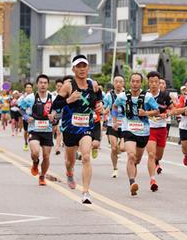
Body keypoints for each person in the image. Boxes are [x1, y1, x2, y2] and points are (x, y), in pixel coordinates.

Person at [52, 55, 103, 204]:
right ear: (73, 69)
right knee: (70, 161)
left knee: (86, 157)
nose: (81, 69)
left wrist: (100, 105)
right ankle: (69, 173)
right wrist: (69, 99)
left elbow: (98, 99)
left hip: (86, 127)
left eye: (84, 66)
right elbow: (56, 105)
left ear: (88, 68)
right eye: (78, 67)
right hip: (70, 129)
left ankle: (86, 192)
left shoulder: (93, 85)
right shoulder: (68, 86)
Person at [113, 72, 160, 196]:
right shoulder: (122, 96)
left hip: (143, 131)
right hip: (128, 128)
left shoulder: (148, 97)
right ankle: (132, 182)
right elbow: (114, 106)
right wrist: (115, 121)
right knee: (131, 155)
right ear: (129, 82)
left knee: (137, 160)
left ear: (141, 83)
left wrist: (146, 113)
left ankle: (133, 179)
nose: (135, 84)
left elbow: (157, 111)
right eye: (132, 81)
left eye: (137, 81)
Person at [18, 75, 56, 186]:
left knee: (46, 156)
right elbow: (20, 109)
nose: (43, 85)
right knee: (35, 153)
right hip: (34, 130)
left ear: (48, 84)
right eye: (41, 82)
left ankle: (42, 176)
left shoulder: (53, 98)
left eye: (45, 83)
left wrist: (54, 116)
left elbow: (59, 111)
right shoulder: (30, 98)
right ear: (37, 84)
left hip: (47, 131)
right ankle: (35, 162)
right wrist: (26, 117)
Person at [145, 71, 174, 191]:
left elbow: (172, 109)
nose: (153, 84)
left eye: (156, 82)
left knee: (158, 155)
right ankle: (152, 180)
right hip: (148, 128)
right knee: (151, 154)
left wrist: (167, 114)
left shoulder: (165, 96)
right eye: (151, 82)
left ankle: (157, 162)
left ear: (159, 83)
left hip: (162, 128)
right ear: (148, 83)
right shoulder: (144, 95)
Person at [103, 76, 126, 178]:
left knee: (122, 148)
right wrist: (105, 111)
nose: (118, 84)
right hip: (112, 124)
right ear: (113, 83)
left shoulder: (127, 95)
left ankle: (119, 151)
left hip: (125, 125)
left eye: (120, 82)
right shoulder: (109, 95)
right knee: (113, 148)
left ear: (124, 83)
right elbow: (103, 108)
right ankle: (115, 168)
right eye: (116, 82)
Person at [21, 82, 34, 150]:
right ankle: (26, 143)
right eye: (27, 87)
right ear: (25, 89)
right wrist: (26, 117)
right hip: (26, 116)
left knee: (32, 131)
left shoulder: (35, 96)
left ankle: (32, 143)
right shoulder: (22, 97)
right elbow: (20, 109)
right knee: (26, 131)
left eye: (30, 87)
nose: (29, 89)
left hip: (33, 116)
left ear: (32, 88)